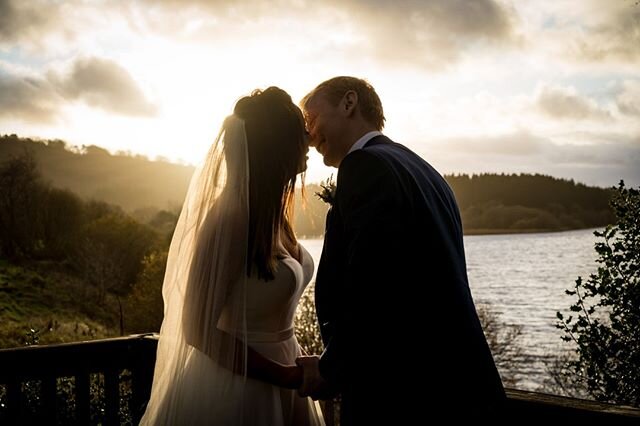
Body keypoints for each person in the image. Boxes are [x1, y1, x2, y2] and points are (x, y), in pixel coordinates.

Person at [296, 77, 506, 424]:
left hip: (404, 394)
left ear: (349, 104)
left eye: (312, 119)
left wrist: (331, 368)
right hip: (459, 387)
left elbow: (372, 285)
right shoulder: (425, 170)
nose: (309, 134)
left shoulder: (366, 166)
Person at [140, 87, 324, 426]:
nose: (309, 139)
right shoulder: (231, 217)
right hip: (239, 387)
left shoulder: (274, 214)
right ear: (277, 147)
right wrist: (282, 375)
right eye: (298, 132)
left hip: (287, 368)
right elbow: (196, 328)